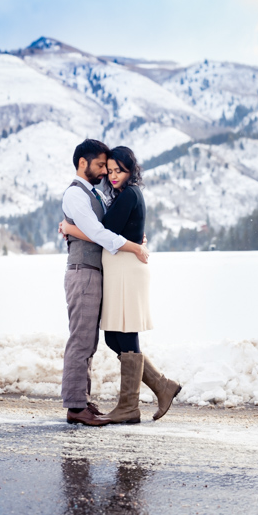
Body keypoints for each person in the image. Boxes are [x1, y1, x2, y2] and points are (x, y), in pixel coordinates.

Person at [60, 146, 182, 424]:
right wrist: (134, 242)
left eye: (116, 170)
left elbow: (101, 230)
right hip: (106, 270)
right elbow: (102, 231)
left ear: (131, 171)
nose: (109, 174)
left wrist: (70, 229)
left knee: (120, 335)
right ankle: (161, 386)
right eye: (106, 168)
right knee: (110, 337)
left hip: (123, 270)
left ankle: (126, 405)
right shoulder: (85, 194)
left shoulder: (123, 194)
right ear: (83, 163)